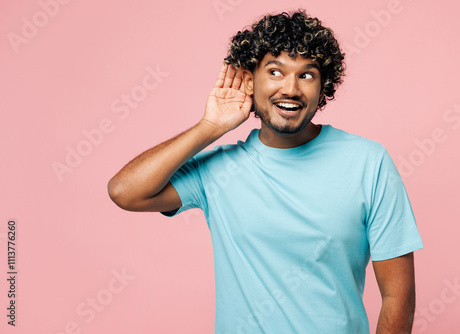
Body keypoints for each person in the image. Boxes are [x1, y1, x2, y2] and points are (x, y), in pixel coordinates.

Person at [108, 10, 423, 334]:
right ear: (249, 80)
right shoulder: (218, 171)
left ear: (322, 85)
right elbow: (124, 191)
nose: (291, 89)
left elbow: (398, 296)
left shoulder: (368, 163)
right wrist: (209, 127)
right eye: (275, 71)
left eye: (307, 75)